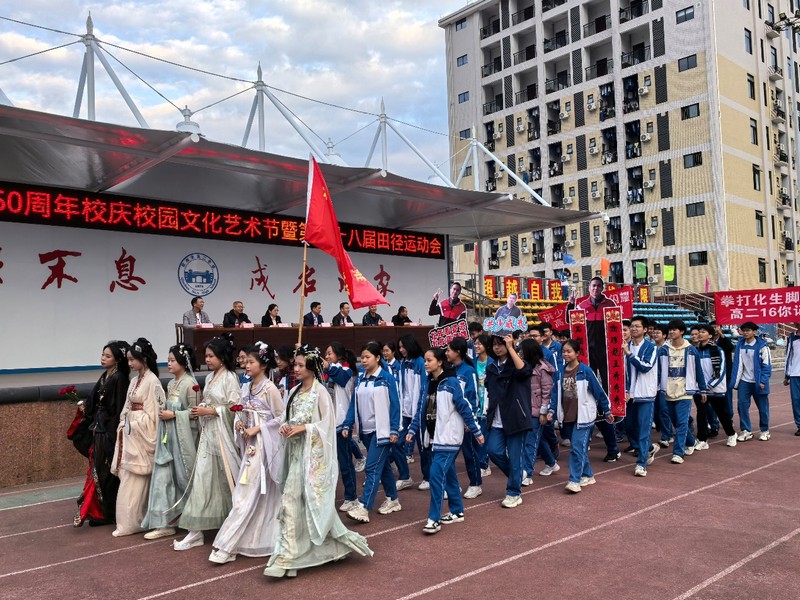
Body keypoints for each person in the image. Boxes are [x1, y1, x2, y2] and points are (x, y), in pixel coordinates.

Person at [264, 345, 372, 578]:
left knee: (299, 500)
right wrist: (286, 425)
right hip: (294, 456)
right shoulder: (293, 391)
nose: (297, 368)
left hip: (312, 457)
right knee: (293, 501)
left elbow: (327, 424)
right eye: (296, 364)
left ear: (312, 368)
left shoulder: (320, 392)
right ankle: (292, 554)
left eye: (301, 365)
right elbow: (286, 416)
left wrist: (305, 428)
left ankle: (289, 557)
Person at [210, 342, 284, 564]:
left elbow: (281, 418)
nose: (246, 365)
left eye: (251, 362)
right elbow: (241, 412)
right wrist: (240, 424)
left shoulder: (270, 389)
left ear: (263, 364)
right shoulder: (246, 387)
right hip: (250, 448)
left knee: (245, 494)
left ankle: (226, 545)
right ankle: (246, 540)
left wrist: (259, 427)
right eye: (246, 361)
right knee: (248, 494)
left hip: (263, 447)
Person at [174, 334, 241, 551]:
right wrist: (202, 406)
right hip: (209, 433)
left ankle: (235, 523)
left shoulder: (230, 377)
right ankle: (196, 530)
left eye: (212, 356)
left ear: (222, 357)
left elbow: (235, 407)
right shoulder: (211, 377)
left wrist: (211, 410)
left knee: (225, 479)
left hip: (222, 437)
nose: (208, 359)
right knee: (203, 479)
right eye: (207, 356)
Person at [406, 348, 484, 534]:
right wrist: (413, 428)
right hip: (434, 437)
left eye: (429, 360)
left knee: (436, 475)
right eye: (424, 360)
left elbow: (464, 406)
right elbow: (421, 409)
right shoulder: (428, 382)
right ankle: (457, 511)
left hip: (449, 437)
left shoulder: (451, 382)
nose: (425, 363)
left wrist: (476, 430)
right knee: (448, 474)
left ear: (440, 362)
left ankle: (434, 518)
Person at [141, 343, 199, 540]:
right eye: (168, 360)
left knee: (184, 480)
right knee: (164, 479)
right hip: (169, 438)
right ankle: (165, 521)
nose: (169, 363)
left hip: (184, 441)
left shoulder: (190, 384)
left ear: (184, 362)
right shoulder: (171, 384)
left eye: (173, 360)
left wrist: (173, 414)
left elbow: (196, 414)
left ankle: (193, 518)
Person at [70, 340, 130, 528]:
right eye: (103, 355)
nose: (103, 358)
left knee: (105, 473)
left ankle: (107, 512)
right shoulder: (106, 376)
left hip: (108, 431)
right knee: (97, 470)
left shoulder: (120, 378)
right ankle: (98, 512)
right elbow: (95, 400)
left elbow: (120, 408)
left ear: (117, 359)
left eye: (108, 356)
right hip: (99, 429)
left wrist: (110, 429)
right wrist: (86, 408)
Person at [343, 342, 402, 523]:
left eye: (368, 357)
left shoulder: (386, 378)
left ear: (377, 358)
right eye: (363, 357)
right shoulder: (360, 379)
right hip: (366, 432)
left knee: (371, 467)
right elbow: (354, 403)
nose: (365, 361)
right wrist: (348, 424)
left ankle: (364, 506)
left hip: (381, 430)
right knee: (382, 467)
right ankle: (393, 499)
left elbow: (395, 404)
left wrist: (394, 428)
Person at [111, 338, 163, 537]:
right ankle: (126, 522)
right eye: (129, 360)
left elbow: (155, 414)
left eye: (133, 360)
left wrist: (135, 421)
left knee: (138, 482)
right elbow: (126, 405)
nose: (130, 364)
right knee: (127, 479)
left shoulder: (153, 381)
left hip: (140, 434)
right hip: (130, 433)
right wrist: (124, 420)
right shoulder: (133, 381)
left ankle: (136, 521)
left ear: (144, 359)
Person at [567, 277, 620, 463]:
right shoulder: (581, 305)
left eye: (598, 286)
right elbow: (571, 323)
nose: (595, 288)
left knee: (602, 396)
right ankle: (585, 444)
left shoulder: (610, 304)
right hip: (588, 353)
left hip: (605, 353)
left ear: (602, 288)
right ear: (588, 288)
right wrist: (571, 305)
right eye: (592, 285)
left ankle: (613, 445)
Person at [548, 340, 613, 493]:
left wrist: (607, 410)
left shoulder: (585, 371)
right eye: (564, 351)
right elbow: (556, 393)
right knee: (579, 448)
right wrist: (552, 410)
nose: (565, 354)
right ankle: (588, 475)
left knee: (576, 448)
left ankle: (574, 479)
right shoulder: (560, 373)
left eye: (569, 351)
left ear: (577, 353)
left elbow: (598, 392)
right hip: (567, 416)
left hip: (583, 417)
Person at [485, 334, 532, 508]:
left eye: (501, 344)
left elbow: (524, 371)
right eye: (495, 345)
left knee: (514, 457)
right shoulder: (492, 367)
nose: (497, 348)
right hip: (497, 418)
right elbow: (489, 389)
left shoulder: (516, 363)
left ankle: (514, 492)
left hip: (515, 419)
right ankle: (518, 475)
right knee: (493, 451)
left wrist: (511, 348)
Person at [658, 319, 705, 464]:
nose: (671, 332)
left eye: (675, 329)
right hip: (668, 391)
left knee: (682, 422)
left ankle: (678, 453)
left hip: (685, 391)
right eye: (670, 329)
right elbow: (659, 371)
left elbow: (698, 370)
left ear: (682, 332)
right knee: (676, 421)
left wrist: (702, 388)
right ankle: (691, 442)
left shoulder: (691, 350)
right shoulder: (664, 350)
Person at [322, 342, 361, 513]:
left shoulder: (345, 371)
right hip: (327, 424)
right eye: (326, 353)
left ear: (338, 355)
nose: (327, 356)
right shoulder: (326, 373)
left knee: (345, 463)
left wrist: (327, 365)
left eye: (329, 353)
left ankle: (351, 497)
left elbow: (340, 376)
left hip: (341, 423)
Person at [623, 316, 660, 477]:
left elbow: (645, 367)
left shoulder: (651, 348)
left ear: (645, 330)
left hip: (645, 394)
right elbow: (621, 372)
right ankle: (650, 448)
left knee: (644, 429)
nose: (634, 329)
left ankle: (641, 463)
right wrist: (624, 390)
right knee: (629, 427)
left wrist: (629, 354)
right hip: (629, 395)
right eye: (632, 326)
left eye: (637, 326)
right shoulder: (626, 346)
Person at [446, 338, 483, 499]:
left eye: (449, 350)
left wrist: (471, 419)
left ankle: (475, 484)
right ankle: (453, 486)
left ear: (458, 352)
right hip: (451, 420)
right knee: (449, 455)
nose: (446, 353)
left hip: (465, 420)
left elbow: (473, 396)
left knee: (469, 453)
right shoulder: (449, 369)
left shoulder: (468, 371)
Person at [519, 339, 559, 484]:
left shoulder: (543, 369)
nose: (520, 352)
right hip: (525, 410)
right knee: (537, 440)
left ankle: (528, 474)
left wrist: (543, 412)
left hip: (536, 412)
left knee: (530, 442)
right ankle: (551, 462)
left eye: (522, 350)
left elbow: (547, 393)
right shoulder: (523, 366)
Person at [695, 325, 738, 448]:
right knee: (701, 414)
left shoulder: (717, 350)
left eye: (703, 332)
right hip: (700, 388)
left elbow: (722, 370)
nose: (699, 334)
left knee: (721, 413)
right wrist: (700, 386)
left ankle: (731, 434)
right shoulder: (695, 350)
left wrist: (710, 385)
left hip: (714, 388)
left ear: (710, 335)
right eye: (699, 332)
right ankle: (702, 440)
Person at [731, 321, 772, 441]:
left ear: (755, 332)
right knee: (742, 406)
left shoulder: (762, 346)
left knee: (762, 407)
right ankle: (746, 430)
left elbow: (767, 365)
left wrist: (763, 380)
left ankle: (764, 430)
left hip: (758, 381)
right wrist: (735, 381)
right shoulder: (740, 344)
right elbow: (737, 364)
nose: (745, 332)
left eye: (748, 330)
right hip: (745, 381)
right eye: (744, 330)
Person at [398, 334, 428, 482]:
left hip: (419, 410)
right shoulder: (403, 363)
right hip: (405, 410)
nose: (401, 350)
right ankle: (404, 476)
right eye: (399, 347)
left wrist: (420, 408)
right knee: (397, 443)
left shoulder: (421, 363)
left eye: (403, 346)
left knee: (423, 447)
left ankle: (427, 477)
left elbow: (423, 388)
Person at [473, 333, 494, 476]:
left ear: (486, 346)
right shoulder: (473, 362)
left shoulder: (492, 362)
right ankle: (481, 462)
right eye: (475, 343)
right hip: (476, 404)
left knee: (484, 436)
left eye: (479, 343)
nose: (476, 346)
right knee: (477, 436)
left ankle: (484, 464)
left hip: (487, 403)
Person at [710, 320, 736, 420]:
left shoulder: (724, 340)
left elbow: (730, 348)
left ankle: (729, 417)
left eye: (716, 327)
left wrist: (721, 335)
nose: (714, 329)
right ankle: (714, 420)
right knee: (713, 399)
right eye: (712, 327)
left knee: (727, 398)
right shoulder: (708, 342)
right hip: (712, 375)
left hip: (726, 375)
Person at [784, 323, 800, 436]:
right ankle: (799, 425)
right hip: (795, 374)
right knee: (796, 401)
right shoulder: (792, 337)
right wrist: (787, 375)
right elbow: (788, 356)